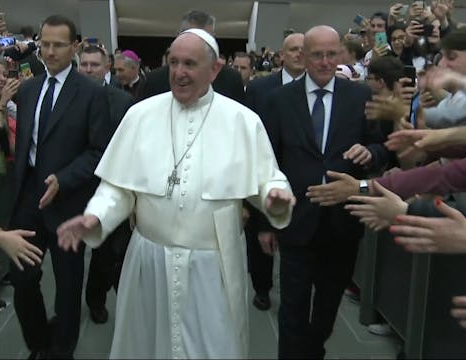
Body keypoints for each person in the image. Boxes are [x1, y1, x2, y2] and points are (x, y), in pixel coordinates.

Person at [57, 28, 295, 359]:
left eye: (190, 64)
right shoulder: (140, 115)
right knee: (147, 346)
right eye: (174, 63)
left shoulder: (243, 121)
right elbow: (118, 187)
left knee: (212, 347)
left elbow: (268, 178)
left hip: (213, 266)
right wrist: (96, 216)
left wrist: (274, 196)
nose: (179, 73)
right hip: (150, 260)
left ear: (214, 70)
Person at [259, 25, 389, 358]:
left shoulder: (360, 97)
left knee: (328, 307)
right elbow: (267, 162)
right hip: (295, 219)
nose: (325, 61)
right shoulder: (279, 101)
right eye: (317, 54)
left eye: (332, 54)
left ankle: (314, 350)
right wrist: (264, 222)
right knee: (292, 308)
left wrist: (370, 153)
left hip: (341, 224)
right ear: (303, 55)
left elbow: (382, 146)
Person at [8, 15, 110, 359]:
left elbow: (99, 151)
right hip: (28, 199)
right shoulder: (27, 89)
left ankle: (62, 350)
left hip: (68, 202)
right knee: (22, 280)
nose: (49, 52)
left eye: (58, 45)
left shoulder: (92, 94)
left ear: (75, 47)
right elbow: (25, 144)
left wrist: (64, 178)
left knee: (67, 287)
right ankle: (39, 342)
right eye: (44, 44)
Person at [243, 31, 305, 312]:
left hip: (301, 173)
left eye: (305, 50)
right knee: (262, 236)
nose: (299, 54)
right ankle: (262, 288)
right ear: (281, 56)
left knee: (297, 236)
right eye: (293, 49)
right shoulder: (260, 89)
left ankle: (296, 290)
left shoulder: (319, 88)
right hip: (263, 168)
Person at [77, 44, 134, 324]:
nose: (88, 70)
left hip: (110, 188)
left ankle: (98, 300)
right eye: (84, 64)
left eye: (94, 65)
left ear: (107, 67)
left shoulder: (122, 102)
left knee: (108, 251)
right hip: (74, 187)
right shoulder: (68, 98)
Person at [139, 9, 245, 104]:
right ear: (178, 36)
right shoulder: (153, 81)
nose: (180, 74)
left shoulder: (231, 79)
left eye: (203, 39)